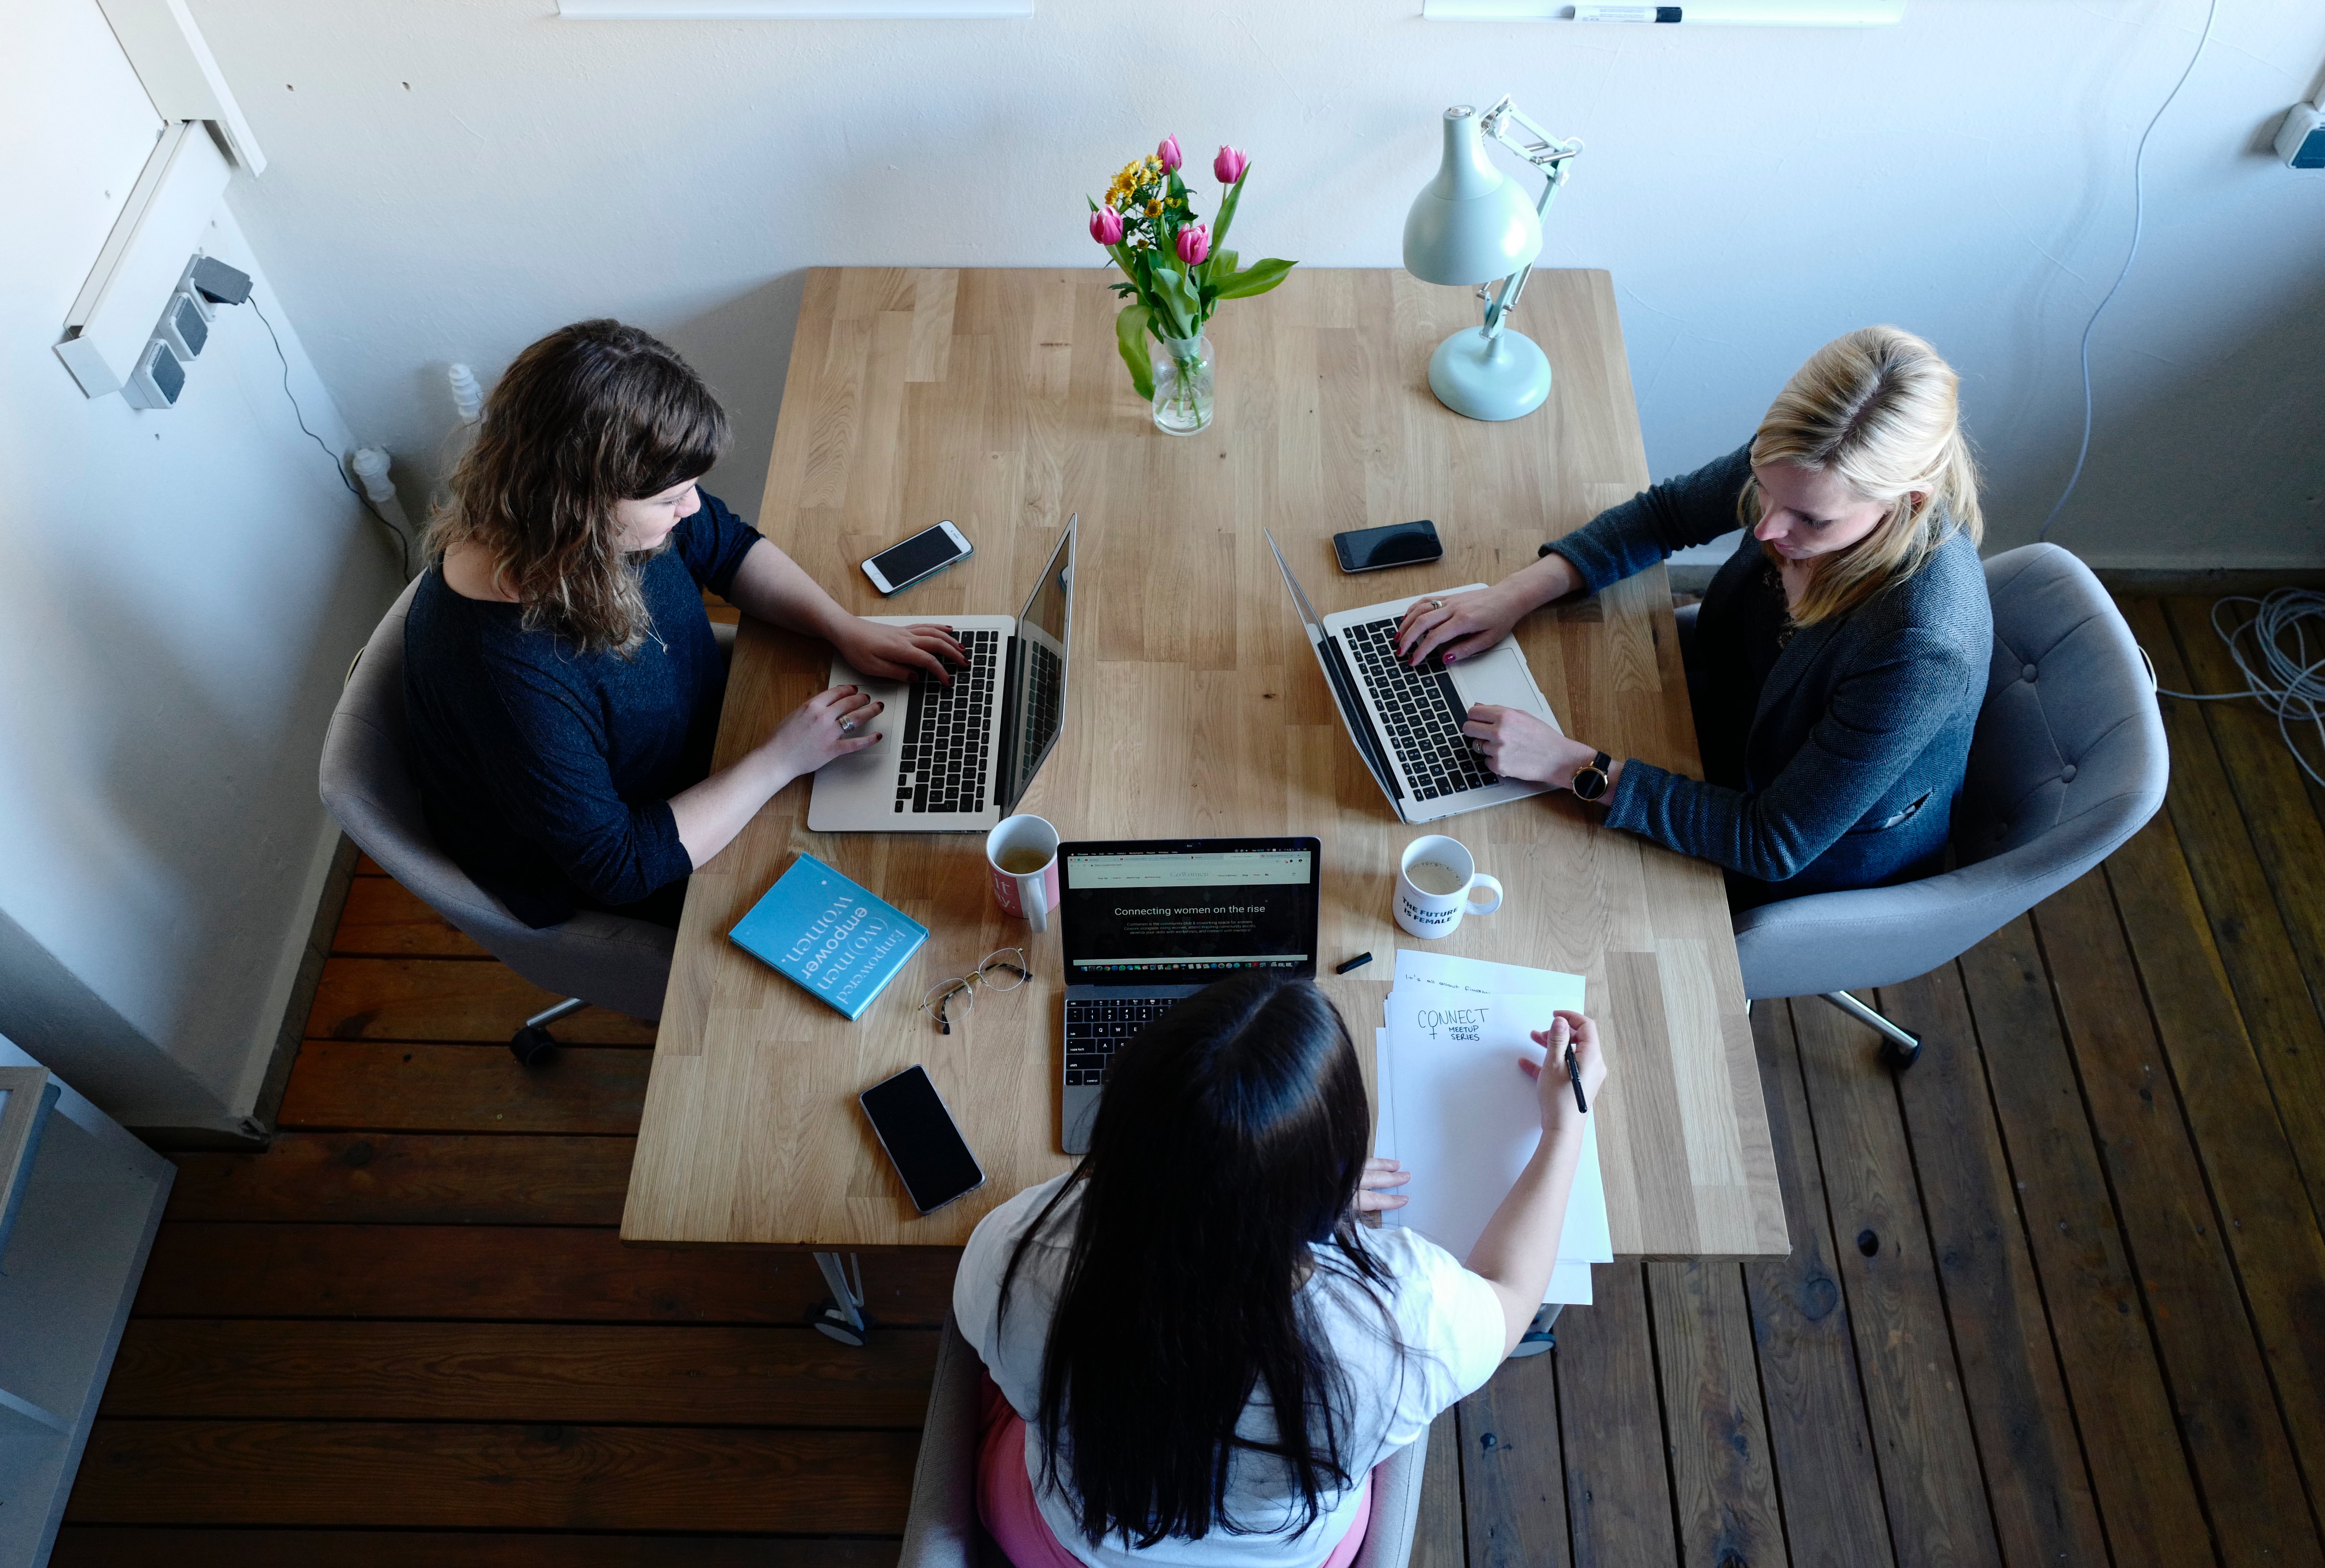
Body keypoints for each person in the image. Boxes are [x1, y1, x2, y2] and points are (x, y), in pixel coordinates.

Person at [954, 973, 1605, 1568]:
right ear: (1334, 1180)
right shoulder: (1403, 1323)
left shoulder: (1015, 1252)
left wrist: (1254, 1187)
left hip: (1069, 1544)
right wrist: (1564, 1127)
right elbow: (1512, 1293)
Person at [1396, 325, 1992, 908]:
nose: (1766, 529)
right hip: (1721, 720)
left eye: (1810, 521)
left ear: (1908, 501)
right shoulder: (1803, 461)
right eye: (1763, 488)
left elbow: (1772, 842)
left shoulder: (1921, 647)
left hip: (1796, 859)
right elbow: (1667, 516)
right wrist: (1514, 595)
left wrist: (1566, 764)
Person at [405, 319, 968, 929]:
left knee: (923, 811)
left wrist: (841, 627)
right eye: (671, 499)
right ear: (578, 505)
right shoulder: (503, 675)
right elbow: (617, 866)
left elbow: (726, 548)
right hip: (651, 850)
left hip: (720, 741)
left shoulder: (586, 530)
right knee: (910, 888)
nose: (692, 508)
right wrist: (780, 760)